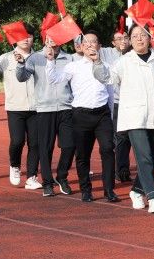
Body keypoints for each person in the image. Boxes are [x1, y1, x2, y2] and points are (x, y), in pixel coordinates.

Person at [92, 24, 154, 213]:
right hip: (134, 116)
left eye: (142, 35)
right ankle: (153, 197)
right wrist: (97, 63)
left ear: (149, 38)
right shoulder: (124, 61)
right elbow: (107, 78)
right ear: (130, 40)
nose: (138, 39)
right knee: (144, 157)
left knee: (153, 158)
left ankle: (137, 191)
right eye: (134, 36)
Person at [51, 33, 120, 202]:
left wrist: (110, 115)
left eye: (93, 42)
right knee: (82, 154)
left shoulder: (107, 66)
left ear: (99, 46)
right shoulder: (73, 66)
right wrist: (50, 60)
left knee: (108, 149)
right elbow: (54, 79)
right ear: (81, 47)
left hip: (102, 114)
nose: (90, 45)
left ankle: (109, 190)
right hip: (80, 114)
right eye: (86, 42)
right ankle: (86, 190)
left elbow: (111, 93)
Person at [19, 39, 76, 197]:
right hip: (45, 108)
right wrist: (21, 64)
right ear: (45, 39)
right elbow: (22, 77)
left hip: (66, 107)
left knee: (70, 145)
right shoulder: (35, 58)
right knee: (45, 148)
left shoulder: (69, 58)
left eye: (56, 38)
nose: (53, 42)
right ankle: (48, 183)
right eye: (50, 38)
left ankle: (62, 176)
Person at [0, 33, 38, 187]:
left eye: (29, 36)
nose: (26, 39)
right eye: (22, 36)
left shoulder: (39, 57)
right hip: (15, 107)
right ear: (15, 39)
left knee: (35, 143)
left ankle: (32, 176)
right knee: (17, 141)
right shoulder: (6, 57)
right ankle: (15, 165)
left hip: (37, 107)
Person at [100, 29, 133, 184]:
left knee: (130, 137)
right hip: (117, 103)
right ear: (113, 42)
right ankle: (120, 170)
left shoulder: (135, 54)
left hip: (133, 102)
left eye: (125, 37)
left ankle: (123, 169)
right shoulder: (107, 53)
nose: (123, 41)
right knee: (120, 137)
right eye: (119, 39)